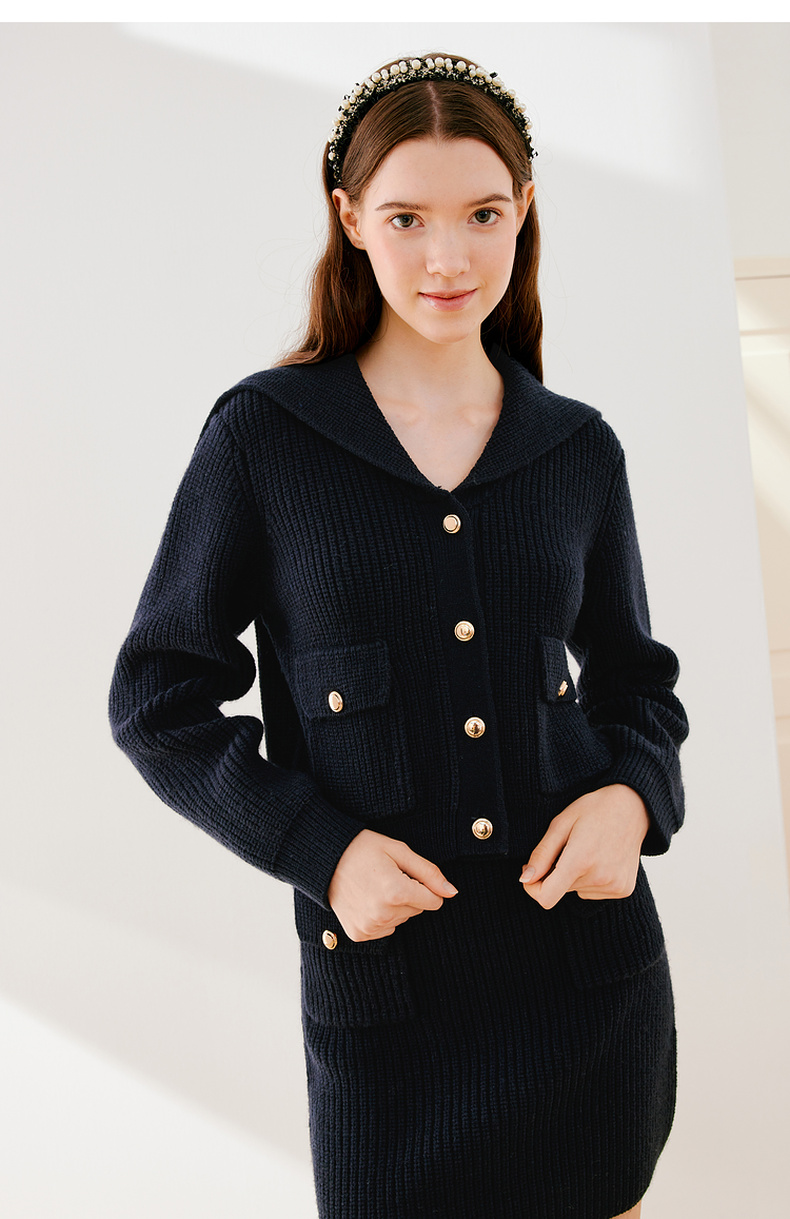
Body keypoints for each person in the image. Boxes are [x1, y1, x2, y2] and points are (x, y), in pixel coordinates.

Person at [109, 53, 689, 1219]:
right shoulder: (264, 438)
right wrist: (320, 852)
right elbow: (157, 699)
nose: (447, 258)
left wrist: (632, 801)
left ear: (523, 211)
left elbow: (637, 684)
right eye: (406, 218)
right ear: (349, 218)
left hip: (588, 986)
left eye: (483, 214)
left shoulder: (576, 449)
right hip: (388, 1006)